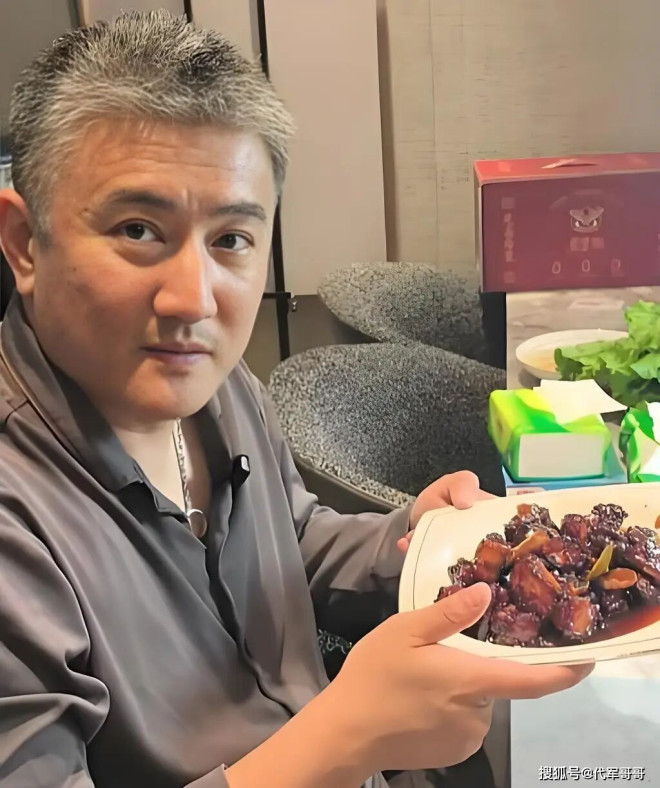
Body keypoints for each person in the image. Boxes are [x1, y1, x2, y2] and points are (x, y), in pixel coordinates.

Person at [0, 11, 591, 788]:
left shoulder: (218, 385)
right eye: (138, 230)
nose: (194, 299)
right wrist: (346, 739)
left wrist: (414, 540)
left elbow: (293, 542)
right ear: (24, 243)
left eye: (231, 240)